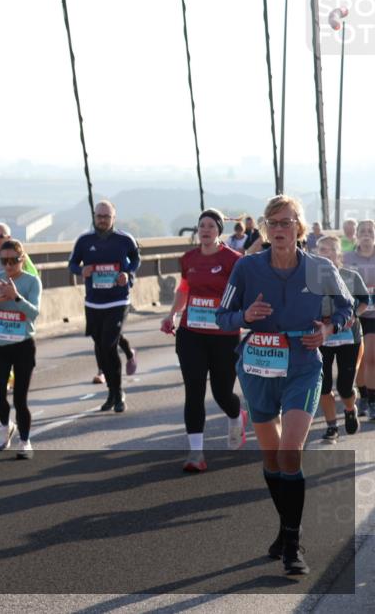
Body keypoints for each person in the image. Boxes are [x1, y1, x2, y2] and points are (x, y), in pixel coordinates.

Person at [217, 195, 353, 576]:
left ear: (300, 228)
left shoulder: (319, 268)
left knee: (291, 450)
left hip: (302, 365)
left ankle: (293, 544)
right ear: (264, 228)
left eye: (286, 222)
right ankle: (285, 526)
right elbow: (222, 316)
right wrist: (244, 315)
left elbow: (346, 309)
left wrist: (327, 328)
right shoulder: (247, 269)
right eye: (272, 222)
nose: (279, 229)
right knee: (273, 457)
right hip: (259, 367)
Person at [159, 209, 247, 472]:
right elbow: (185, 288)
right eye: (202, 225)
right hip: (191, 333)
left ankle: (236, 415)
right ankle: (195, 453)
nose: (206, 229)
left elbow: (241, 293)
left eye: (211, 225)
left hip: (224, 335)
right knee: (194, 391)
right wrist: (172, 314)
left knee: (222, 393)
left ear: (219, 230)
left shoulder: (234, 260)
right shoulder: (189, 258)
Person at [68, 200, 141, 412]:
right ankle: (111, 392)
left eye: (106, 216)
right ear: (94, 216)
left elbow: (136, 258)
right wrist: (81, 271)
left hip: (118, 300)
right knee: (101, 348)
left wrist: (128, 274)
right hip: (93, 302)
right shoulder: (84, 240)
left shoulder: (124, 239)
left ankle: (118, 395)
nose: (102, 219)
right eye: (99, 216)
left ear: (113, 218)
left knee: (109, 345)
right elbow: (72, 264)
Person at [0, 239, 42, 458]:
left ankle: (25, 442)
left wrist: (16, 297)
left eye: (13, 261)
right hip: (0, 345)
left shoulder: (32, 281)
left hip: (24, 345)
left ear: (22, 259)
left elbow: (34, 313)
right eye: (3, 261)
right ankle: (7, 425)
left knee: (20, 399)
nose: (8, 266)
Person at [315, 235, 370, 442]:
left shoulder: (350, 276)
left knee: (345, 387)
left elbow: (364, 301)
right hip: (322, 337)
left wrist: (354, 315)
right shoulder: (311, 278)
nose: (325, 252)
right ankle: (331, 427)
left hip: (350, 337)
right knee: (324, 384)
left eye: (329, 249)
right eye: (321, 249)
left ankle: (349, 408)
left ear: (338, 254)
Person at [344, 219, 375, 418]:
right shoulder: (348, 257)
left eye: (370, 230)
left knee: (371, 357)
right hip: (355, 313)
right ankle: (363, 396)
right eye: (362, 230)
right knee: (360, 360)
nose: (366, 233)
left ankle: (372, 401)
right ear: (357, 235)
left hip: (373, 314)